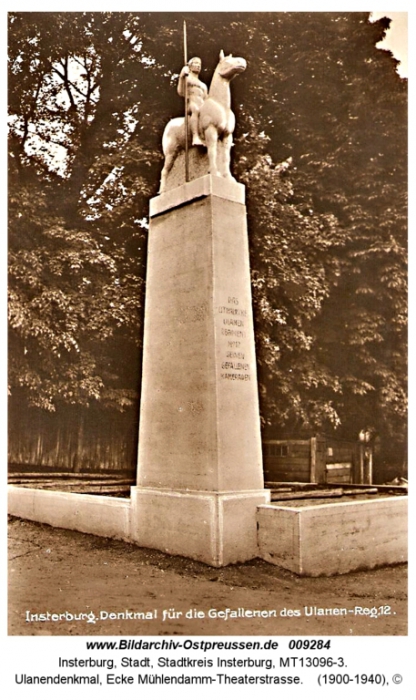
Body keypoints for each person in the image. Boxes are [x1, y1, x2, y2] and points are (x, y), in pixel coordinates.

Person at [177, 57, 208, 146]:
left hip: (202, 105)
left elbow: (206, 99)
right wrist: (182, 76)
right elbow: (181, 91)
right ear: (190, 66)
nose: (198, 66)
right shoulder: (187, 78)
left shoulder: (203, 85)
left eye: (200, 64)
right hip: (191, 104)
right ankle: (195, 137)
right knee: (196, 109)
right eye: (196, 63)